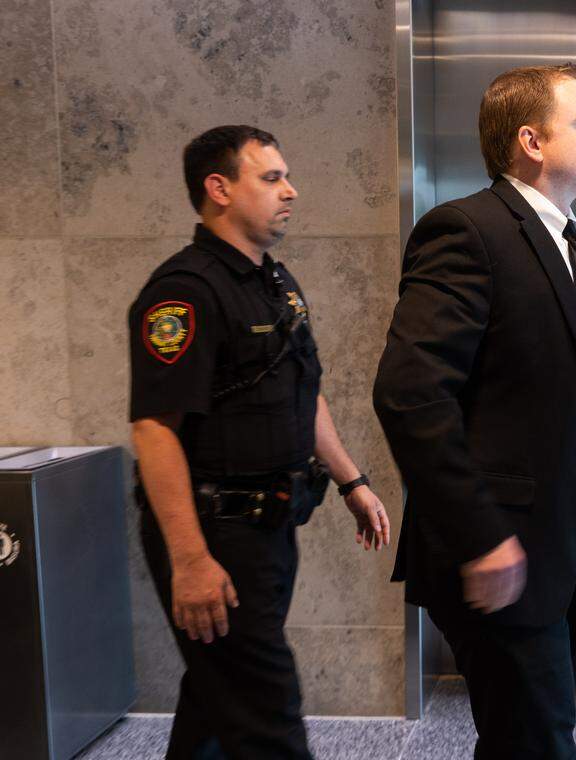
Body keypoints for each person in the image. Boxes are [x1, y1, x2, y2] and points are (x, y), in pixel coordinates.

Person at [373, 63, 576, 759]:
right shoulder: (466, 232)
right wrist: (479, 535)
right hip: (495, 552)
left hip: (554, 545)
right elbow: (410, 392)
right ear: (530, 140)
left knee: (528, 733)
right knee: (537, 738)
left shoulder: (570, 245)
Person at [129, 125, 391, 759]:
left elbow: (306, 394)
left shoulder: (273, 282)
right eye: (271, 178)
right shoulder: (183, 294)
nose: (291, 191)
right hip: (216, 535)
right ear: (218, 188)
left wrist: (352, 480)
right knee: (267, 717)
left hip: (270, 528)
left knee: (218, 701)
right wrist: (190, 562)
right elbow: (154, 428)